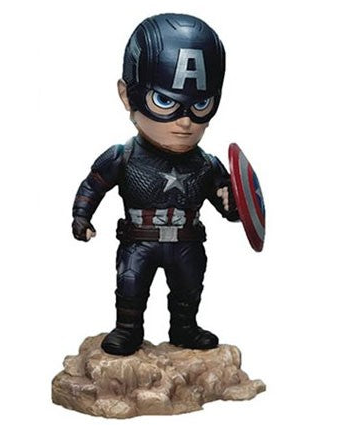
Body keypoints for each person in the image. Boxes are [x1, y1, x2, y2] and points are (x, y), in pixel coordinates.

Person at [72, 13, 240, 356]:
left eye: (200, 105)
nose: (184, 122)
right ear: (127, 95)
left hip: (187, 241)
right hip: (139, 241)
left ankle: (185, 328)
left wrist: (233, 201)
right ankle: (128, 329)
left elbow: (232, 207)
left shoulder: (206, 164)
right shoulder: (123, 156)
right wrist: (81, 216)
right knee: (130, 287)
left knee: (188, 289)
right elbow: (94, 185)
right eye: (164, 102)